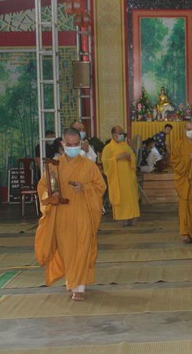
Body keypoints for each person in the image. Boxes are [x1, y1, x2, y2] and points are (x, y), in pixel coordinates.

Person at [34, 128, 106, 301]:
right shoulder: (54, 166)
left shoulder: (89, 166)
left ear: (80, 144)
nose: (73, 147)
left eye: (76, 144)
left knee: (82, 249)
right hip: (62, 217)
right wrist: (51, 196)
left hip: (83, 215)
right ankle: (73, 282)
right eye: (70, 145)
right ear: (63, 144)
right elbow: (43, 187)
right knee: (68, 251)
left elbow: (100, 187)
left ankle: (78, 288)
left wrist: (85, 188)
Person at [171, 121, 192, 244]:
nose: (191, 131)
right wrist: (187, 158)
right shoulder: (178, 145)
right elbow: (174, 163)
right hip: (183, 181)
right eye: (189, 129)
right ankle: (184, 233)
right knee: (183, 209)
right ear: (184, 131)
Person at [102, 125, 140, 226]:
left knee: (131, 197)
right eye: (120, 133)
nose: (121, 135)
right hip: (117, 179)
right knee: (121, 198)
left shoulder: (125, 145)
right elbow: (105, 163)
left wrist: (130, 158)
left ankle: (132, 218)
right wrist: (117, 158)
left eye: (122, 133)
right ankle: (122, 220)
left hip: (128, 177)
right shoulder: (108, 148)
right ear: (114, 134)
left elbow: (132, 156)